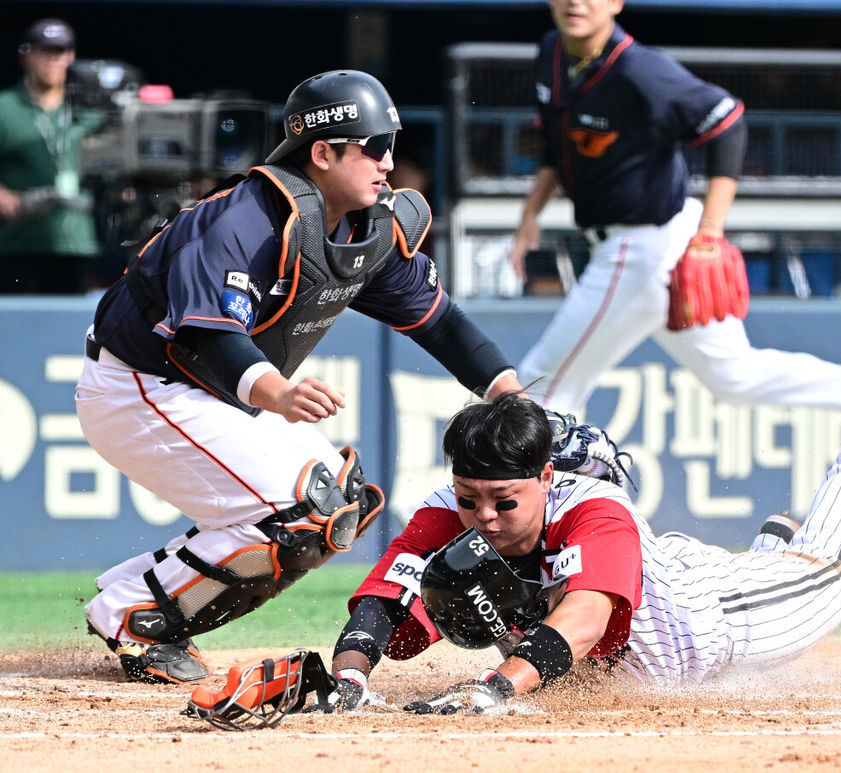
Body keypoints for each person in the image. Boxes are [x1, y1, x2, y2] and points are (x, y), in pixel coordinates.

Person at [76, 70, 524, 685]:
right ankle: (133, 615)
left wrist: (513, 398)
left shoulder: (368, 229)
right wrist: (278, 393)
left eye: (390, 145)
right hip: (138, 385)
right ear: (322, 151)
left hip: (211, 394)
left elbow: (441, 324)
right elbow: (207, 334)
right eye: (372, 146)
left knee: (344, 503)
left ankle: (135, 599)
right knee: (303, 510)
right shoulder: (244, 220)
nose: (389, 162)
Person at [314, 359, 841, 712]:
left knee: (831, 566)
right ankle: (772, 545)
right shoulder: (450, 508)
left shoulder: (596, 507)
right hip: (665, 627)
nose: (483, 516)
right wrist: (348, 674)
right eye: (469, 498)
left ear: (547, 476)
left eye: (503, 499)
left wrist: (497, 684)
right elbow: (390, 594)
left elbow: (584, 619)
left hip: (725, 618)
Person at [508, 0, 841, 416]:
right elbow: (556, 145)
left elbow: (727, 122)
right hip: (646, 241)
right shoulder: (552, 52)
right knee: (738, 379)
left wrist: (710, 231)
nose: (576, 3)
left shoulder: (640, 70)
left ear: (617, 3)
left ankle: (543, 481)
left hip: (642, 246)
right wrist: (530, 215)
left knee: (540, 389)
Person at [0, 19, 104, 293]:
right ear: (26, 55)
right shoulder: (5, 108)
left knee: (71, 327)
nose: (53, 60)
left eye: (60, 52)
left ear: (71, 56)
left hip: (76, 243)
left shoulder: (88, 111)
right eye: (44, 52)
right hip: (18, 244)